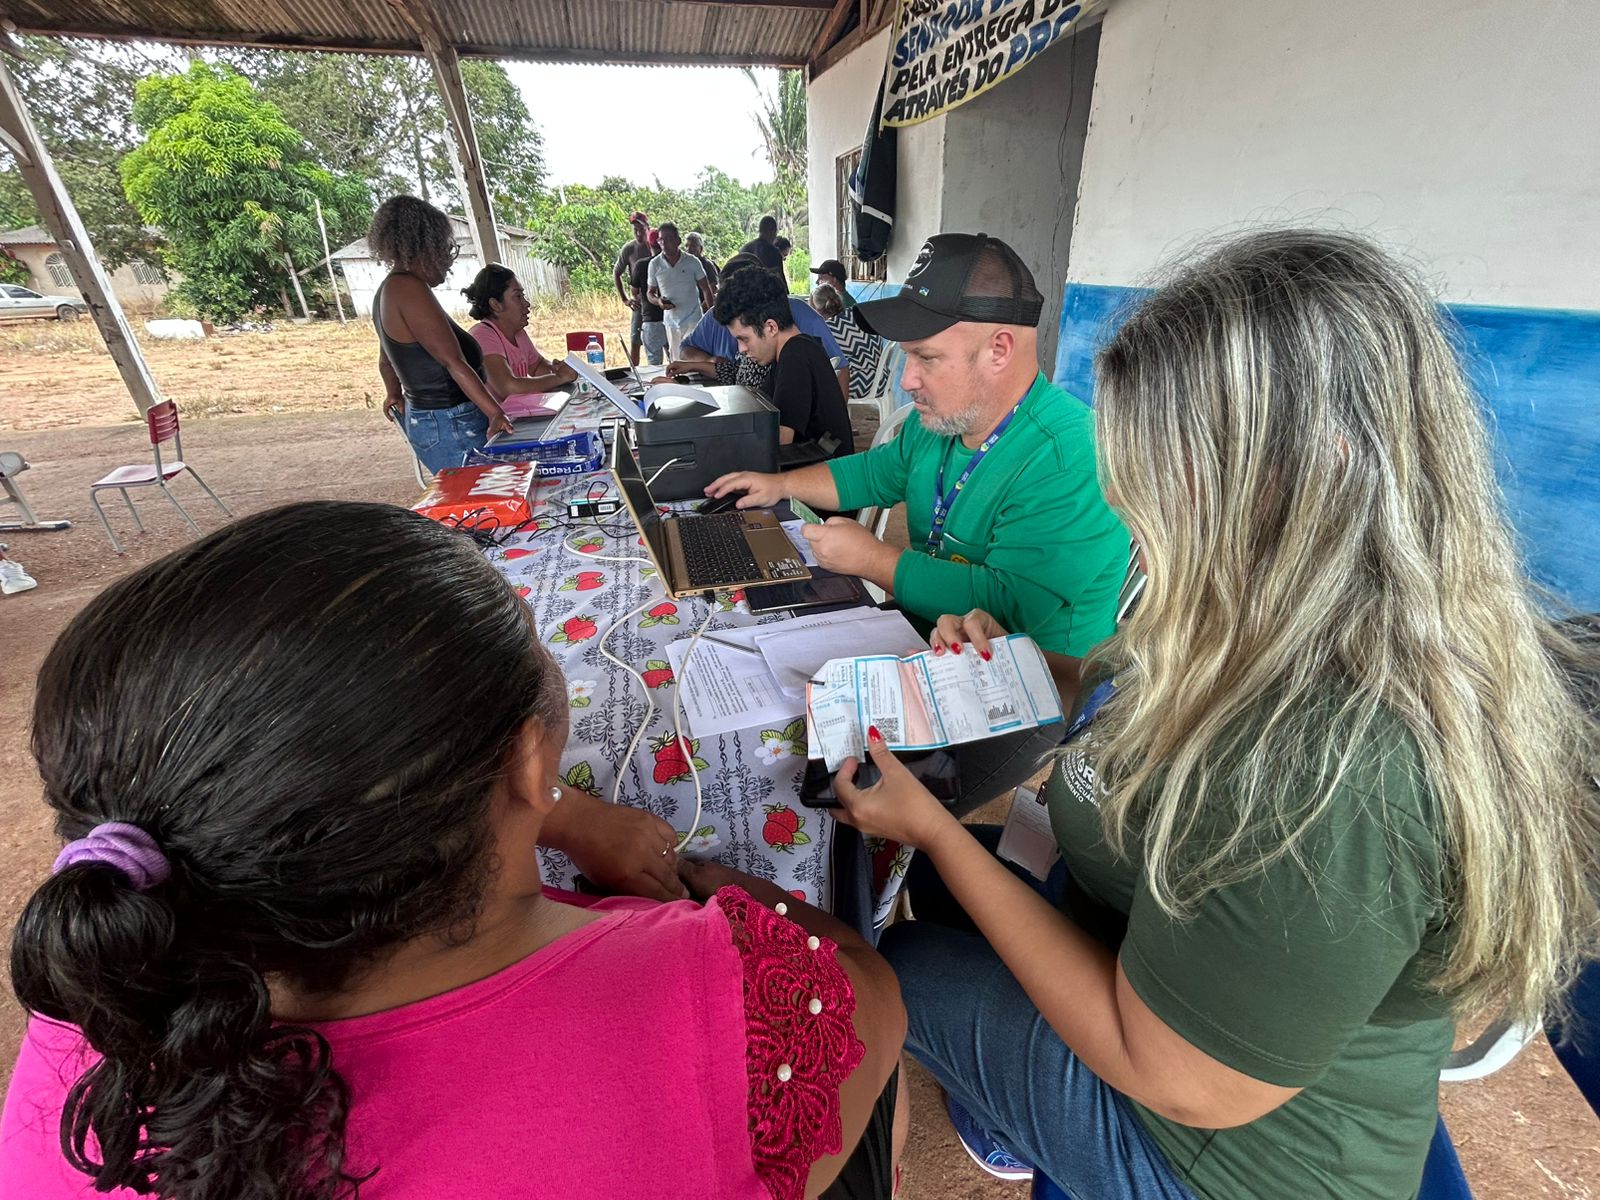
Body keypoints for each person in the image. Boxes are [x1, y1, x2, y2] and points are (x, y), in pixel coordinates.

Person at [827, 229, 1600, 1200]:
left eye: (1159, 462)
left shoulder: (1339, 764)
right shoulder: (1240, 600)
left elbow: (1171, 1075)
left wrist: (937, 831)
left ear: (1294, 472)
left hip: (1212, 1155)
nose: (1122, 493)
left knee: (888, 958)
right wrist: (1013, 665)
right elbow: (1114, 689)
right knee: (933, 898)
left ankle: (1024, 1123)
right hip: (1145, 944)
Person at [1, 500, 910, 1200]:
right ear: (526, 759)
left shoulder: (106, 978)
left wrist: (550, 809)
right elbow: (868, 990)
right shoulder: (712, 997)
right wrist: (707, 883)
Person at [707, 233, 1128, 664]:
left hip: (1034, 690)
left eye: (926, 358)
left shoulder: (1070, 454)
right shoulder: (941, 422)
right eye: (907, 356)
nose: (907, 380)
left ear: (998, 350)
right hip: (929, 643)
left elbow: (1008, 607)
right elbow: (872, 473)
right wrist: (778, 485)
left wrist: (873, 560)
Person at [369, 195, 512, 474]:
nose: (448, 260)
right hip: (450, 422)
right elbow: (453, 362)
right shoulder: (408, 289)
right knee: (478, 507)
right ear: (425, 246)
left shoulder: (389, 290)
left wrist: (393, 393)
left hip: (436, 420)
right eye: (446, 249)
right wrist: (495, 412)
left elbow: (387, 362)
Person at [715, 266, 853, 458]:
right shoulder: (792, 350)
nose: (741, 349)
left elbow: (780, 440)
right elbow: (756, 402)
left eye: (743, 339)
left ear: (771, 327)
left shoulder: (796, 357)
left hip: (823, 478)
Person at [668, 255, 850, 400]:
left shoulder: (791, 361)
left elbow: (785, 433)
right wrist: (698, 364)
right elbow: (736, 372)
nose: (741, 348)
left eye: (743, 339)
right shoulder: (756, 351)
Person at [463, 264, 576, 417]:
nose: (526, 304)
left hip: (519, 416)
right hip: (500, 425)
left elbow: (536, 367)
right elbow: (508, 387)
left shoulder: (518, 332)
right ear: (495, 304)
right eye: (518, 297)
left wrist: (557, 368)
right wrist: (558, 377)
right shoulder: (483, 335)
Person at [646, 222, 715, 362]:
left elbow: (706, 289)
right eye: (661, 240)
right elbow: (650, 293)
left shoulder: (692, 262)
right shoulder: (655, 264)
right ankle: (679, 384)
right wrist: (658, 301)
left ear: (678, 241)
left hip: (693, 319)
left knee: (694, 357)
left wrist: (712, 316)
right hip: (671, 321)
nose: (664, 243)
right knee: (677, 361)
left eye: (669, 239)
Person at [813, 284, 882, 401]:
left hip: (858, 384)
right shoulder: (858, 314)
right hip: (881, 379)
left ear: (817, 309)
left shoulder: (827, 329)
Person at [612, 211, 652, 366]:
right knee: (635, 340)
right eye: (635, 230)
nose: (638, 233)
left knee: (665, 341)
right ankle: (634, 376)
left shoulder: (657, 245)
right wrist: (625, 300)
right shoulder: (629, 249)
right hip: (640, 303)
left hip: (659, 303)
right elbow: (616, 273)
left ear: (648, 228)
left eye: (641, 229)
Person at [631, 234, 668, 367]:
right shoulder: (672, 262)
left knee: (654, 365)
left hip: (651, 320)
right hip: (674, 319)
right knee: (677, 362)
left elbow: (634, 292)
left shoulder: (641, 265)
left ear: (648, 245)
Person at [685, 231, 720, 298]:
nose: (688, 249)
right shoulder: (684, 265)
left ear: (700, 249)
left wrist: (700, 308)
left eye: (693, 246)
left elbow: (713, 291)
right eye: (687, 246)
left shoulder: (707, 265)